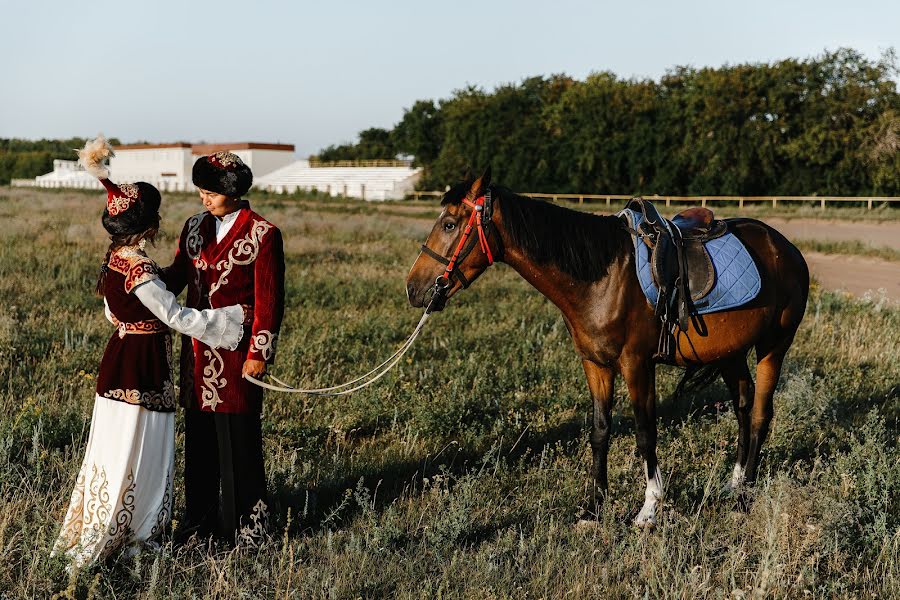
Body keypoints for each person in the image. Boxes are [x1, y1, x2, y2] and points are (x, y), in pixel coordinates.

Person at [51, 136, 246, 570]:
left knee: (113, 446)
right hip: (142, 367)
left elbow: (110, 312)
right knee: (142, 448)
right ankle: (134, 538)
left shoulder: (114, 260)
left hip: (117, 359)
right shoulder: (140, 267)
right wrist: (228, 323)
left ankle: (104, 527)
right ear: (150, 225)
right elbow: (174, 314)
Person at [162, 149, 285, 547]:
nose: (203, 197)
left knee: (238, 442)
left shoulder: (264, 234)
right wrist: (139, 278)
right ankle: (198, 524)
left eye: (211, 191)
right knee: (198, 444)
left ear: (232, 191)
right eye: (200, 189)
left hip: (237, 356)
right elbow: (177, 275)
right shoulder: (193, 227)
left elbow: (270, 302)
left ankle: (248, 530)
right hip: (197, 355)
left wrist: (259, 354)